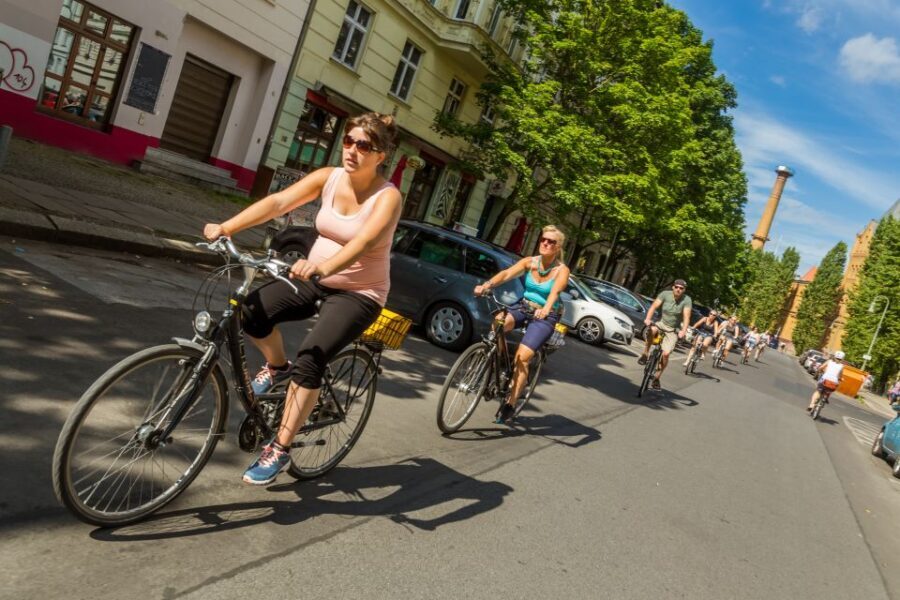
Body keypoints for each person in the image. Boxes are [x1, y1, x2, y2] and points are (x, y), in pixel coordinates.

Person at [203, 113, 402, 485]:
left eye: (364, 146)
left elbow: (363, 244)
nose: (352, 151)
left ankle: (280, 447)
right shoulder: (329, 177)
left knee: (311, 358)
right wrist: (227, 226)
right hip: (314, 274)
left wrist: (323, 268)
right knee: (251, 312)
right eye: (348, 141)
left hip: (359, 291)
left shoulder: (387, 197)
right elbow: (279, 201)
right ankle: (277, 367)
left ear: (381, 156)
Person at [474, 225, 571, 423]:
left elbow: (555, 293)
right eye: (543, 239)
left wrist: (546, 308)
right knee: (498, 321)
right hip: (524, 306)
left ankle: (510, 403)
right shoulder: (530, 262)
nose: (545, 243)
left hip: (547, 314)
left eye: (551, 241)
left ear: (558, 246)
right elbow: (507, 274)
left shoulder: (562, 270)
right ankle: (499, 361)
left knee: (522, 356)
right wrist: (487, 285)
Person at [638, 279, 692, 390]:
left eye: (681, 288)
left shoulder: (687, 300)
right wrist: (648, 319)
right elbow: (653, 307)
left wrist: (683, 331)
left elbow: (686, 317)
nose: (678, 289)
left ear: (684, 290)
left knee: (666, 354)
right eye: (676, 287)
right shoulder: (665, 294)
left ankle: (657, 378)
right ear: (673, 287)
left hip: (673, 330)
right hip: (661, 324)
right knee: (652, 330)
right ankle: (645, 353)